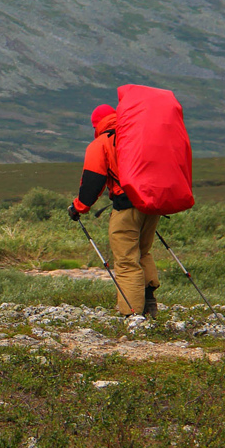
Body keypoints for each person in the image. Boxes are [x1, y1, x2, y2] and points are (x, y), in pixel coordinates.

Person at [67, 104, 160, 317]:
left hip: (126, 207)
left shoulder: (101, 144)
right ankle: (149, 303)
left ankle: (132, 314)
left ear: (97, 124)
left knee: (126, 260)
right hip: (151, 204)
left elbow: (93, 181)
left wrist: (78, 208)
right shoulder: (138, 135)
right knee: (142, 252)